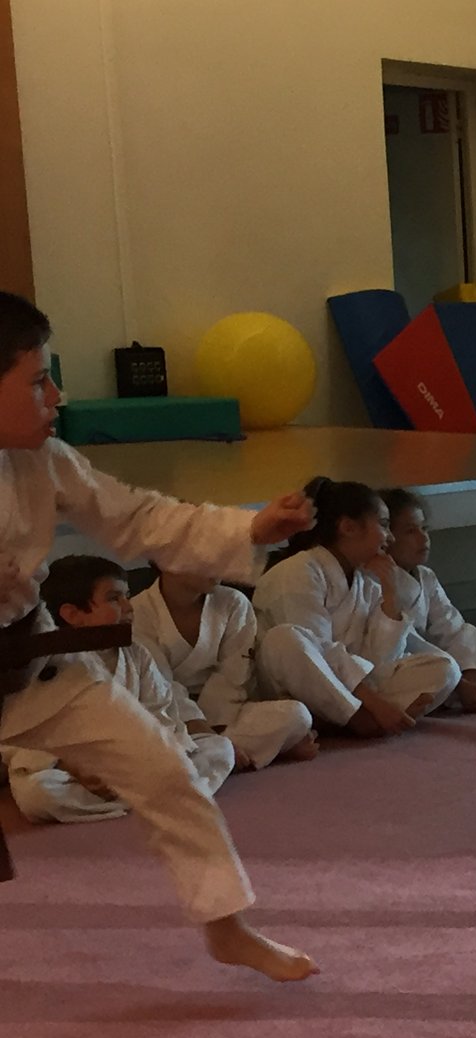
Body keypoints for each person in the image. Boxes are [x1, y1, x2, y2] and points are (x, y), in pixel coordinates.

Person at [0, 289, 316, 979]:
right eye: (37, 381)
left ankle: (226, 926)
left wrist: (250, 527)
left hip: (25, 664)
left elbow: (139, 518)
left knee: (167, 771)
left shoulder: (44, 460)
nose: (55, 396)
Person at [4, 555, 233, 823]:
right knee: (36, 794)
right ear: (73, 614)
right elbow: (23, 733)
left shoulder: (137, 654)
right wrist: (73, 765)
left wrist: (139, 762)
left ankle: (138, 798)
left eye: (128, 596)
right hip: (74, 772)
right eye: (114, 598)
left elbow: (160, 713)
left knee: (219, 749)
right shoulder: (45, 663)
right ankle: (154, 800)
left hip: (138, 763)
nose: (128, 606)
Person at [252, 478, 460, 735]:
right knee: (285, 639)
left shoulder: (366, 580)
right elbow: (317, 651)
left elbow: (379, 662)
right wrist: (373, 703)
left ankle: (340, 716)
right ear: (348, 527)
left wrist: (390, 595)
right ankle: (360, 717)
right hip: (290, 689)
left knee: (445, 668)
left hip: (352, 688)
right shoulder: (298, 571)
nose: (390, 537)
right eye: (383, 524)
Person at [131, 566, 318, 770]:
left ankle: (210, 758)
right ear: (168, 561)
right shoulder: (138, 611)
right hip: (169, 717)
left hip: (224, 716)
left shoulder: (233, 602)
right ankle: (234, 754)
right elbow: (160, 685)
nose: (219, 567)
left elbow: (232, 676)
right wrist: (202, 730)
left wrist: (214, 733)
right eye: (207, 560)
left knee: (297, 714)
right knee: (142, 740)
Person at [380, 487, 476, 711]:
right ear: (386, 538)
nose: (423, 538)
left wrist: (471, 675)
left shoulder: (426, 576)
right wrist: (458, 681)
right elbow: (407, 643)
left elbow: (452, 626)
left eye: (424, 528)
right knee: (443, 672)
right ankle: (451, 693)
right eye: (410, 531)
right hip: (400, 664)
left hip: (437, 661)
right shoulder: (377, 581)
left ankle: (456, 693)